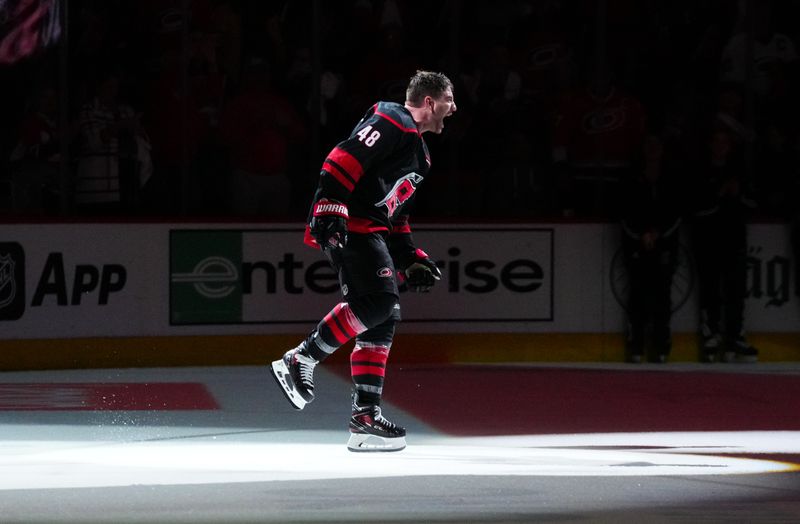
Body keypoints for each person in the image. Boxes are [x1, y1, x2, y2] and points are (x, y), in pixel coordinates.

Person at [270, 70, 456, 452]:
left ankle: (365, 417)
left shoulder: (420, 158)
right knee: (378, 303)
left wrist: (411, 257)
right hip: (350, 224)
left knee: (383, 314)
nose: (454, 108)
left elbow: (396, 216)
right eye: (450, 100)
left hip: (369, 228)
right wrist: (329, 206)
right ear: (430, 102)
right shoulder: (392, 118)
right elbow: (343, 156)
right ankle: (300, 358)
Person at [690, 128, 758, 363]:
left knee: (735, 291)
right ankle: (712, 334)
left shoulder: (738, 172)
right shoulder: (701, 171)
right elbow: (696, 208)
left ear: (730, 146)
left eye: (724, 142)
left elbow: (752, 203)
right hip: (708, 241)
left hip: (734, 239)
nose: (720, 146)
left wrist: (737, 195)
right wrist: (719, 193)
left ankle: (734, 335)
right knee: (710, 289)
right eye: (716, 141)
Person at [619, 135, 683, 364]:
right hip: (636, 242)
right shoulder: (631, 176)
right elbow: (624, 211)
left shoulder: (671, 176)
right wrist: (641, 235)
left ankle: (661, 344)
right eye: (649, 144)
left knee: (662, 295)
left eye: (658, 144)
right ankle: (636, 343)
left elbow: (676, 211)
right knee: (637, 293)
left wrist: (658, 233)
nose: (653, 149)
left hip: (664, 243)